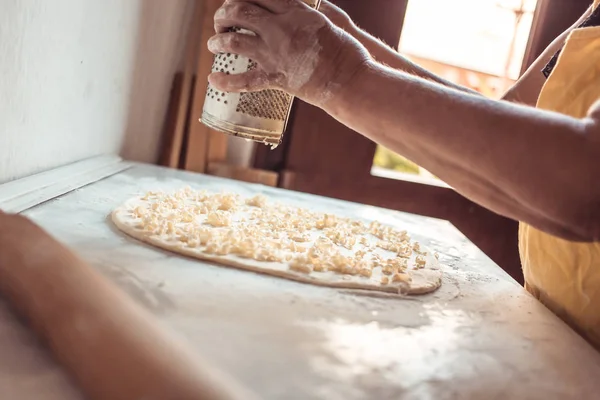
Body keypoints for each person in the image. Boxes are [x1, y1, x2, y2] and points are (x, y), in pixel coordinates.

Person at [207, 0, 600, 348]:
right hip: (560, 339)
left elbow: (586, 181)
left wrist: (335, 72)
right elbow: (507, 124)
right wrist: (341, 37)